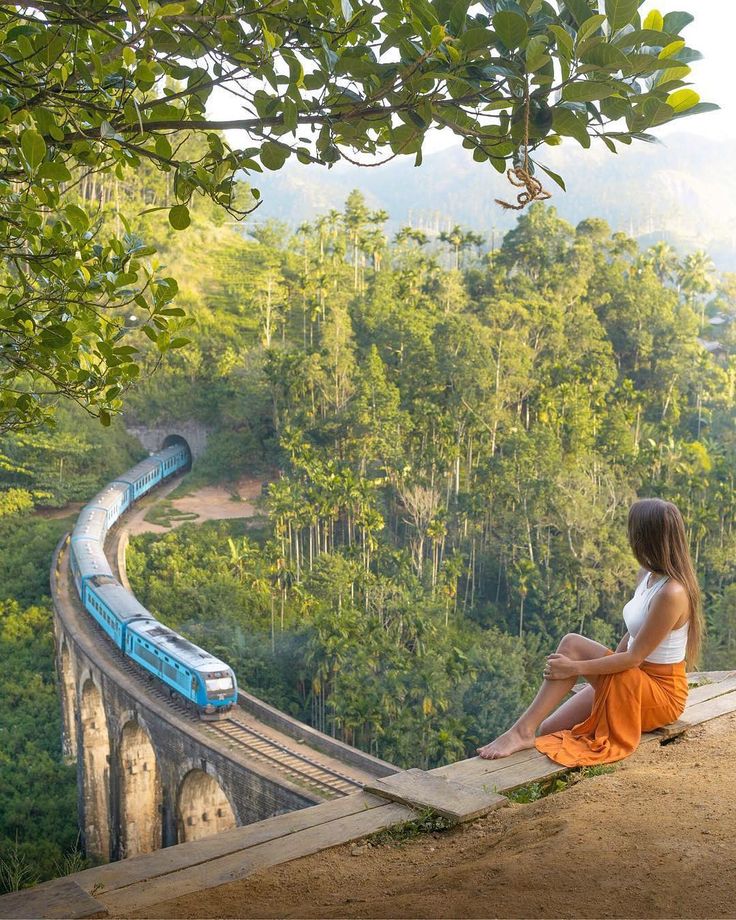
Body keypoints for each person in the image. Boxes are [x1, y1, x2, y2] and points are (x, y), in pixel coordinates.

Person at [476, 497, 704, 765]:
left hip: (659, 694)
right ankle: (526, 731)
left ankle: (520, 732)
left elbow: (634, 658)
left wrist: (576, 668)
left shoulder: (672, 592)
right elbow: (632, 636)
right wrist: (599, 676)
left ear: (645, 537)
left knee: (571, 645)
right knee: (550, 728)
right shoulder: (646, 575)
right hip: (630, 678)